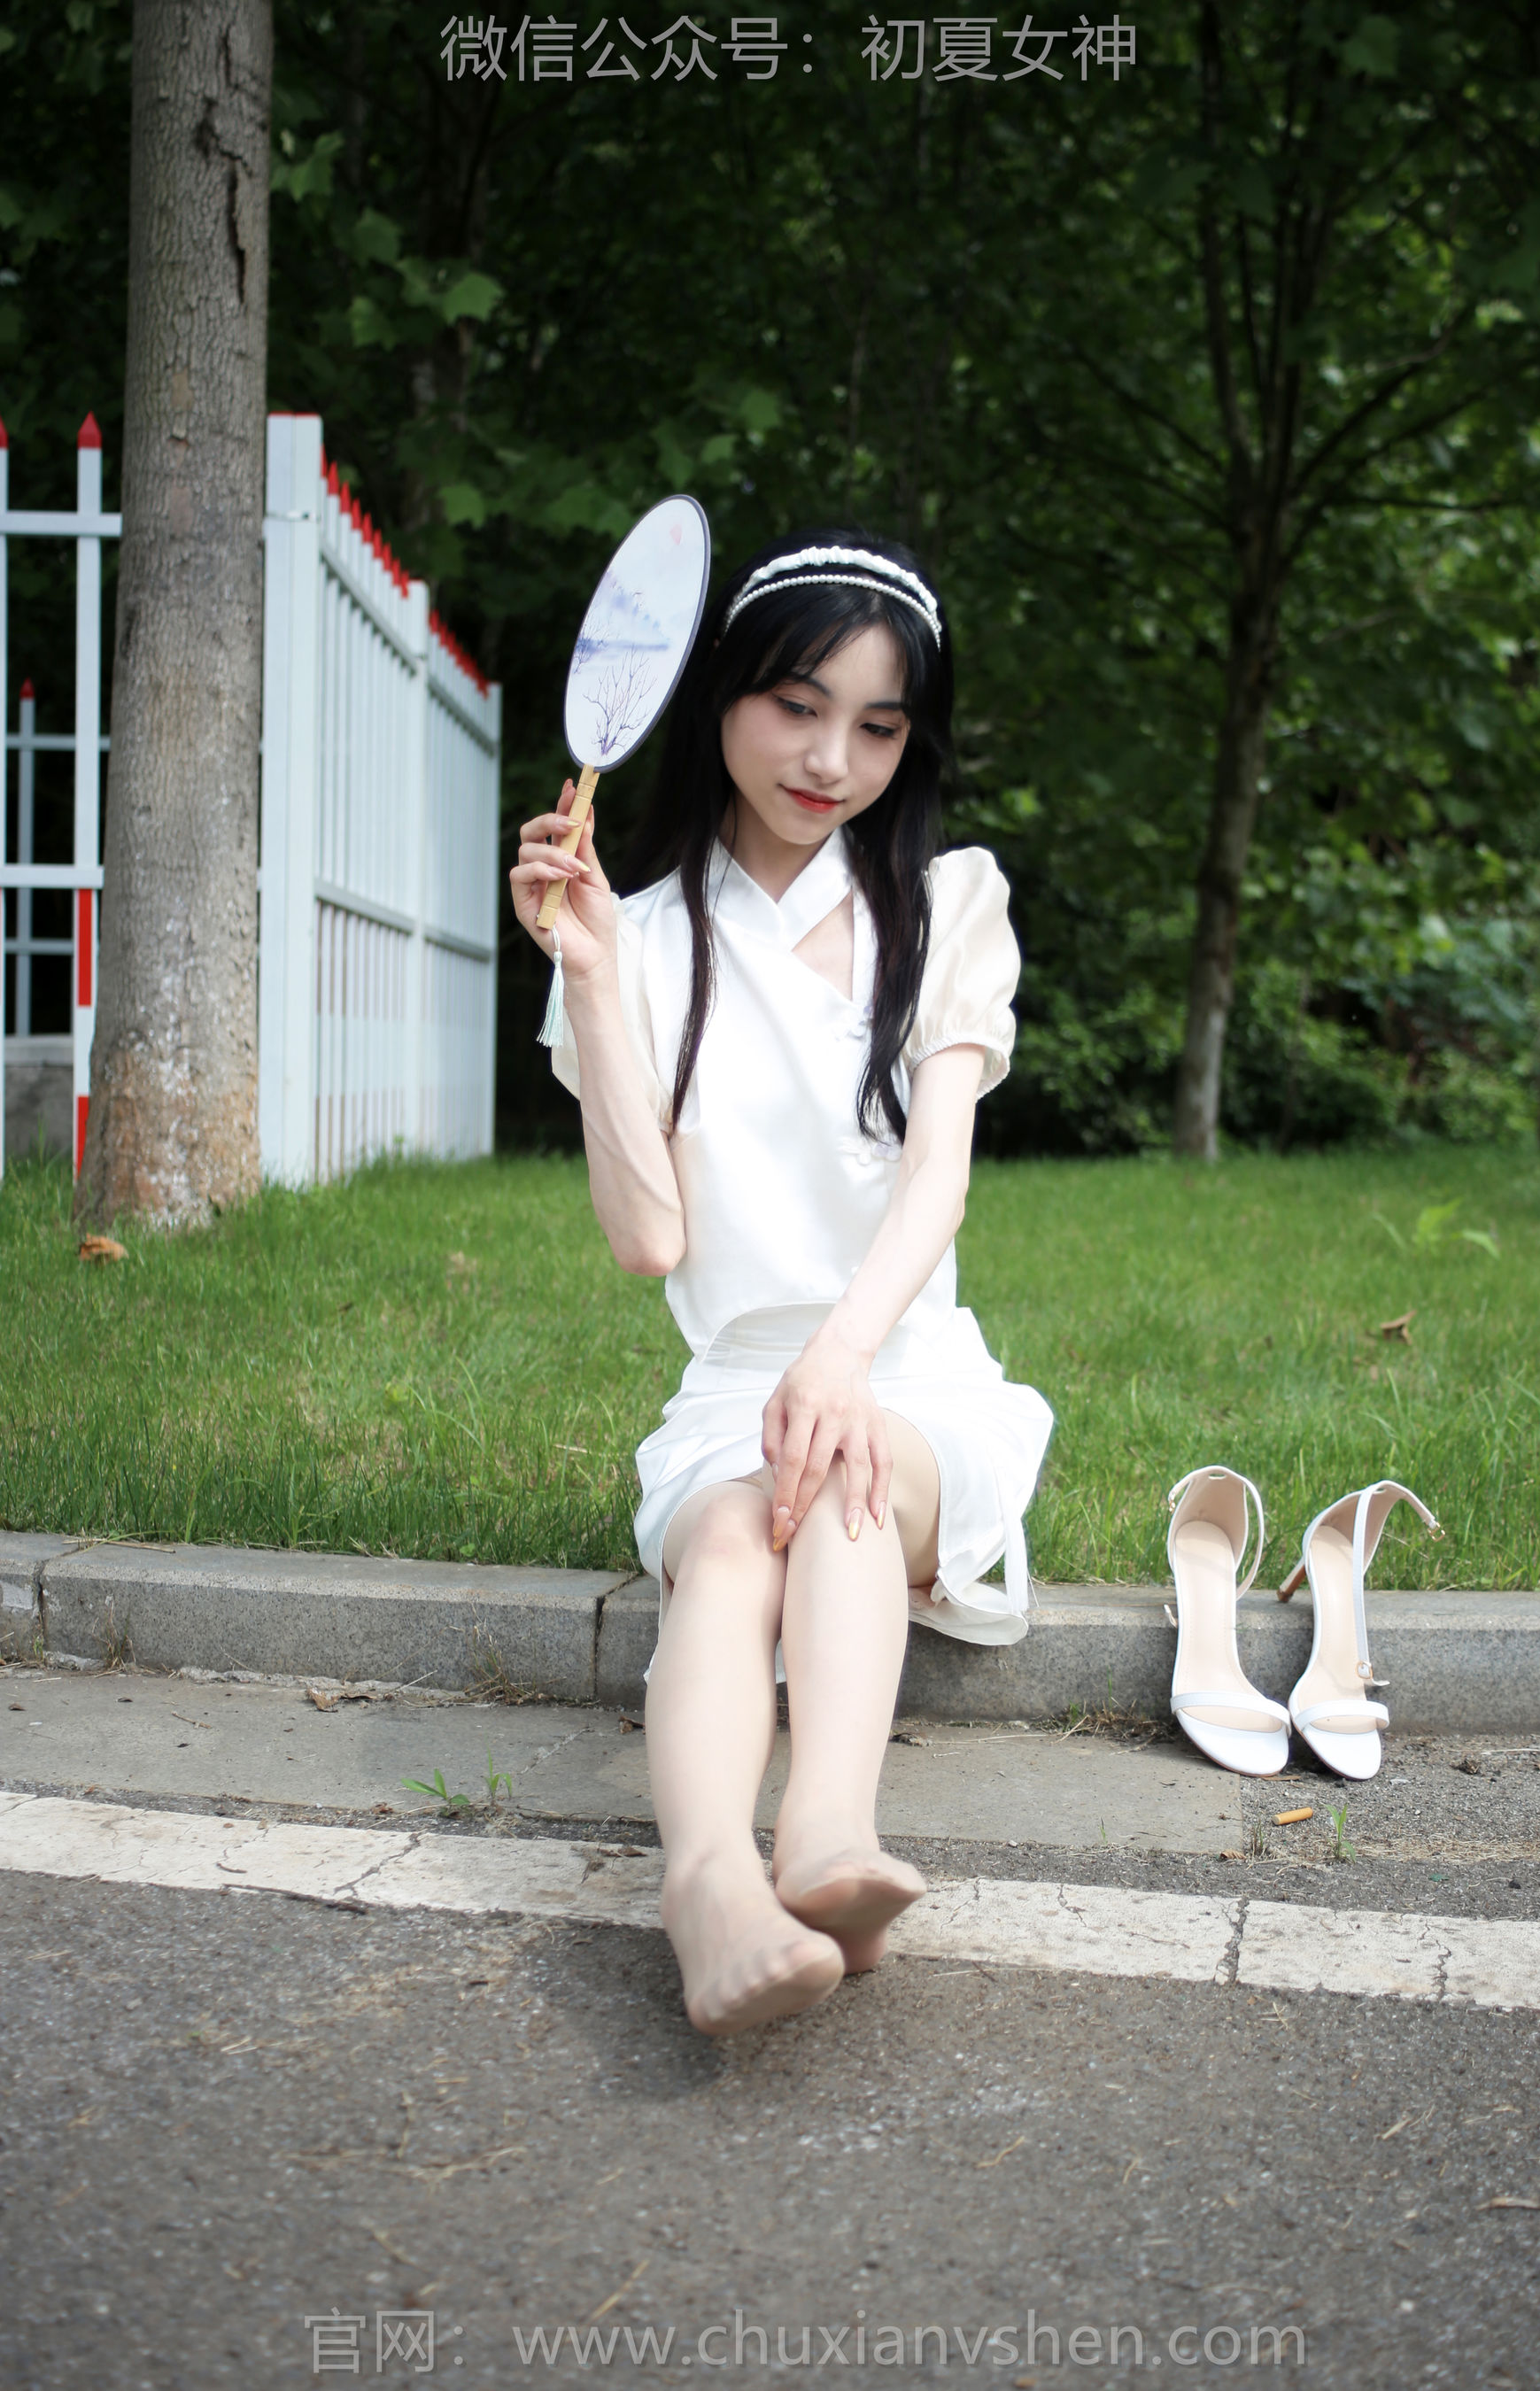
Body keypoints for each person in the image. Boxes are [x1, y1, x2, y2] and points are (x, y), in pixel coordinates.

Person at [510, 532, 1053, 2036]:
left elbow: (937, 1182)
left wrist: (842, 1362)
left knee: (849, 1479)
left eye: (878, 726)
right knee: (735, 1541)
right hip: (734, 1389)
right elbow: (649, 1241)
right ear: (725, 701)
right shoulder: (639, 935)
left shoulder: (946, 905)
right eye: (798, 708)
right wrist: (592, 979)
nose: (831, 760)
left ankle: (825, 1839)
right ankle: (707, 1886)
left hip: (906, 1368)